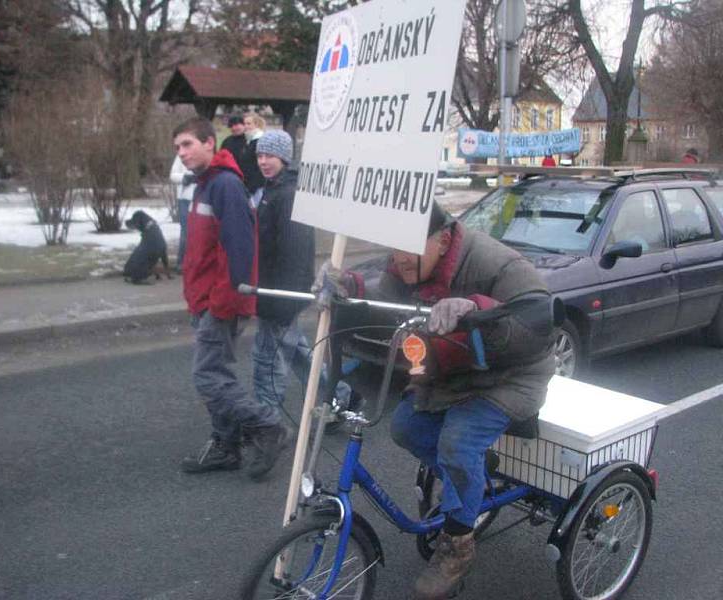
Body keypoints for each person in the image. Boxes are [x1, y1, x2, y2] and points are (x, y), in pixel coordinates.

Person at [313, 203, 556, 600]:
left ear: (444, 240)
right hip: (452, 371)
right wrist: (351, 287)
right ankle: (472, 475)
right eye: (394, 249)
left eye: (408, 248)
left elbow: (539, 323)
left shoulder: (497, 263)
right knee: (404, 427)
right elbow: (384, 298)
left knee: (457, 443)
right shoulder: (407, 265)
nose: (399, 258)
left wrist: (478, 309)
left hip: (509, 377)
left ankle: (457, 548)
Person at [173, 117, 288, 480]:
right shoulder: (204, 185)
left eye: (188, 144)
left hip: (220, 302)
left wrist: (222, 304)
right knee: (217, 372)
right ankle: (225, 445)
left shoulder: (225, 185)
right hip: (204, 298)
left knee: (207, 376)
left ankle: (268, 425)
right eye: (178, 147)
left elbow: (240, 251)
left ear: (210, 143)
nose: (182, 152)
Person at [251, 129, 352, 415]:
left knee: (267, 365)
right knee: (299, 355)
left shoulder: (288, 195)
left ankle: (266, 424)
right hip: (275, 294)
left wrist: (283, 302)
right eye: (260, 154)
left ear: (284, 157)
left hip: (280, 297)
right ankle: (342, 398)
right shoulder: (274, 189)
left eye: (270, 155)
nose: (263, 161)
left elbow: (295, 255)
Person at [169, 154, 196, 271]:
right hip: (185, 198)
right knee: (186, 231)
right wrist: (184, 178)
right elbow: (173, 175)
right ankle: (182, 262)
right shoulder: (182, 155)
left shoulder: (206, 152)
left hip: (201, 197)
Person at [241, 113, 266, 196]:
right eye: (244, 124)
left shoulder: (259, 141)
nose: (246, 126)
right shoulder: (249, 141)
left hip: (256, 188)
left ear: (256, 124)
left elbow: (259, 167)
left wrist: (251, 188)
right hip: (248, 185)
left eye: (249, 123)